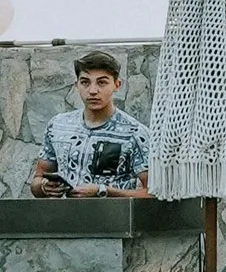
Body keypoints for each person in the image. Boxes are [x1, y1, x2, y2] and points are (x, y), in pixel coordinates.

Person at [32, 52, 150, 196]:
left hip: (113, 216)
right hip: (63, 216)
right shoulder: (57, 126)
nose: (93, 91)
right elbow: (38, 179)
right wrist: (45, 186)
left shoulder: (135, 132)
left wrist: (104, 191)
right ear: (76, 85)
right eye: (85, 82)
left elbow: (151, 193)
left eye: (102, 82)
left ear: (117, 85)